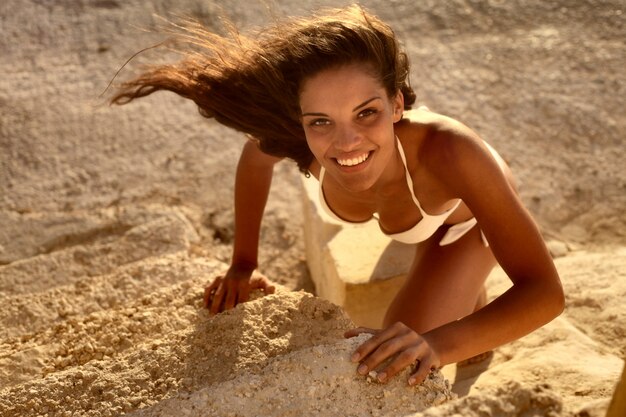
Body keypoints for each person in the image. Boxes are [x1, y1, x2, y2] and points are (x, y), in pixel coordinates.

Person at [110, 4, 564, 386]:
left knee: (392, 359)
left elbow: (545, 292)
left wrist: (436, 343)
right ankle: (461, 292)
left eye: (367, 112)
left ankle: (467, 303)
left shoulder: (455, 154)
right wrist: (243, 264)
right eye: (321, 121)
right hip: (416, 214)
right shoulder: (301, 139)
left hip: (463, 222)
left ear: (397, 104)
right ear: (302, 120)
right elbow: (254, 160)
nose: (346, 143)